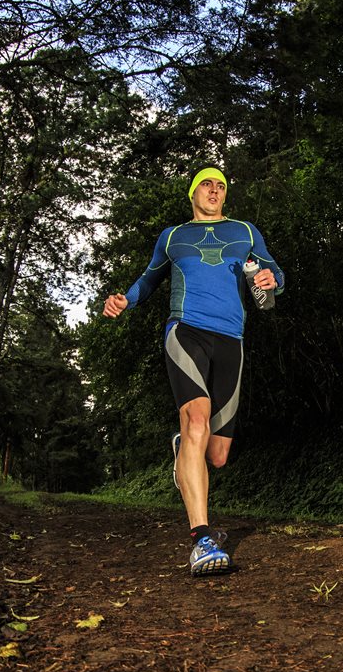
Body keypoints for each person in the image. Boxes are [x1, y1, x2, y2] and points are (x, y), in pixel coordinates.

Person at [103, 167, 284, 575]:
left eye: (221, 184)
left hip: (231, 340)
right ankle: (201, 539)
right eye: (207, 183)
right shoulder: (173, 236)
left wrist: (273, 280)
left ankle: (181, 443)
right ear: (193, 193)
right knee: (197, 422)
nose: (215, 190)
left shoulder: (245, 232)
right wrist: (125, 301)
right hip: (185, 330)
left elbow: (275, 277)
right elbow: (148, 280)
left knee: (217, 455)